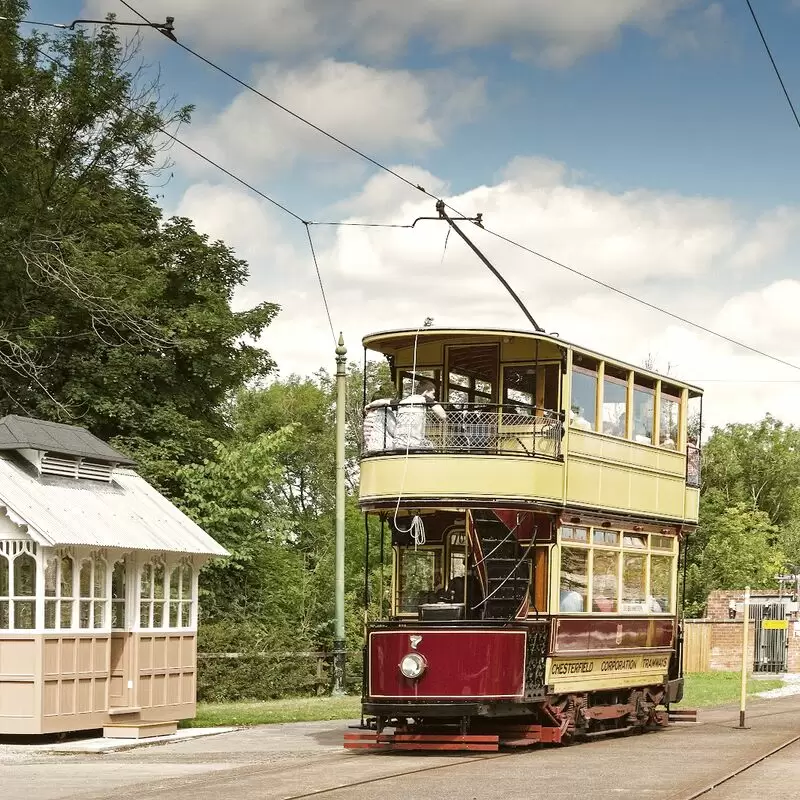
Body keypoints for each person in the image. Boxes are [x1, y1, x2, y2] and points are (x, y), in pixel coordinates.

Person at [394, 379, 446, 449]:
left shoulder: (403, 401)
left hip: (398, 443)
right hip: (414, 444)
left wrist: (373, 406)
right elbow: (443, 415)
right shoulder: (424, 399)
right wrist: (435, 403)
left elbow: (381, 401)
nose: (433, 397)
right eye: (433, 394)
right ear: (426, 392)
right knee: (431, 446)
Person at [362, 388, 397, 453]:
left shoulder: (370, 414)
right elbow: (395, 431)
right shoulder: (384, 412)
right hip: (384, 447)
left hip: (371, 447)